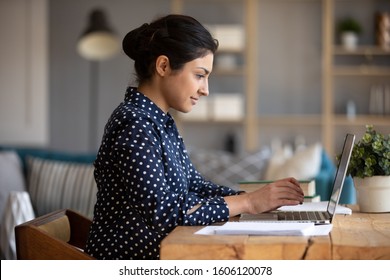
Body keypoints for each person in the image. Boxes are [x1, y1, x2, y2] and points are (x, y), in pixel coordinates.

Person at [85, 14, 304, 260]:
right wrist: (249, 204)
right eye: (200, 75)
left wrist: (251, 199)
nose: (206, 90)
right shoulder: (133, 123)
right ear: (163, 66)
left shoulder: (161, 122)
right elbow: (164, 213)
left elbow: (194, 185)